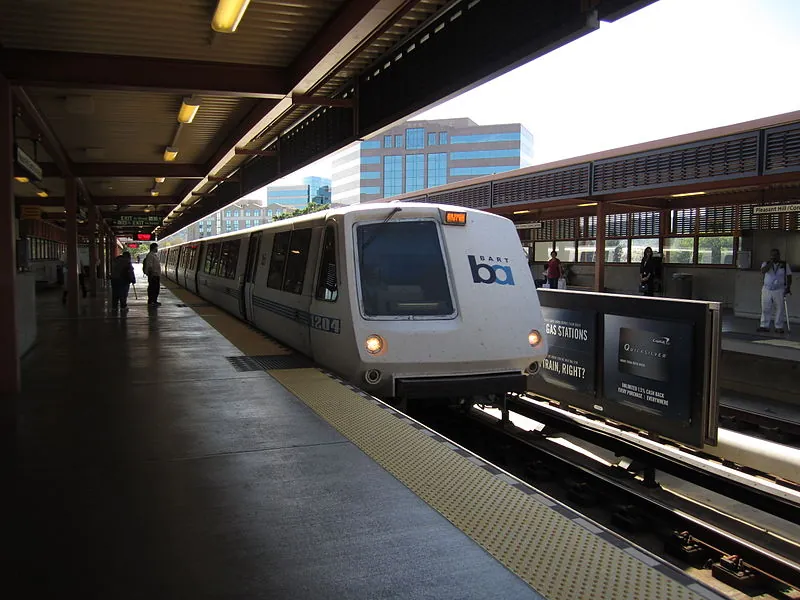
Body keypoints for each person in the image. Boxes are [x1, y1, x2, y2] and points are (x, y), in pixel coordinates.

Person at [758, 248, 792, 334]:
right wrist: (771, 263)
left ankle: (779, 326)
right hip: (767, 289)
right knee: (765, 308)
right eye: (772, 255)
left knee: (780, 308)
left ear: (779, 255)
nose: (774, 256)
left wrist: (788, 287)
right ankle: (764, 325)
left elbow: (789, 276)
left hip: (779, 289)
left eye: (775, 255)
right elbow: (763, 271)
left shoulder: (784, 264)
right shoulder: (766, 263)